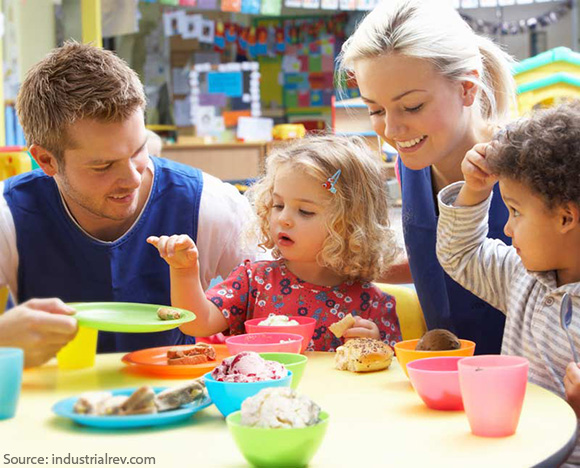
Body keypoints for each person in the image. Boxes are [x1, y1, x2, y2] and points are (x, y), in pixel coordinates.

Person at [3, 41, 255, 360]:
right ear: (46, 161)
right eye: (103, 166)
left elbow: (280, 302)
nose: (133, 178)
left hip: (180, 398)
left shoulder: (211, 202)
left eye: (138, 151)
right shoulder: (8, 216)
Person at [337, 0, 516, 354]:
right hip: (444, 379)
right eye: (374, 109)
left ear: (467, 88)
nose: (391, 129)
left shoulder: (527, 166)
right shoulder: (412, 162)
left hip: (532, 388)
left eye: (412, 106)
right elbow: (438, 260)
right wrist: (346, 262)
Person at [148, 135, 402, 351]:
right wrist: (184, 272)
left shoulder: (373, 304)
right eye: (278, 205)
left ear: (350, 226)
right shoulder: (253, 281)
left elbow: (388, 377)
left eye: (305, 211)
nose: (283, 219)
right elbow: (197, 323)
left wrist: (375, 344)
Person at [436, 102, 580, 465]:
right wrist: (474, 190)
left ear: (566, 217)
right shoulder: (522, 276)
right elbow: (460, 254)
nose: (507, 227)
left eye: (516, 211)